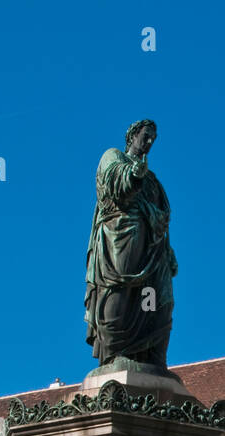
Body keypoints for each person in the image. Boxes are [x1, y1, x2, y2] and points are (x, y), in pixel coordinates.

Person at [85, 119, 177, 369]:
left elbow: (162, 215)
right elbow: (117, 185)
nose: (149, 142)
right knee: (119, 293)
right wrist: (133, 173)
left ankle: (153, 359)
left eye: (153, 139)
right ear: (132, 135)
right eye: (145, 136)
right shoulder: (113, 156)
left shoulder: (153, 179)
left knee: (160, 300)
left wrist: (167, 251)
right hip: (122, 235)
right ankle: (114, 354)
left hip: (154, 248)